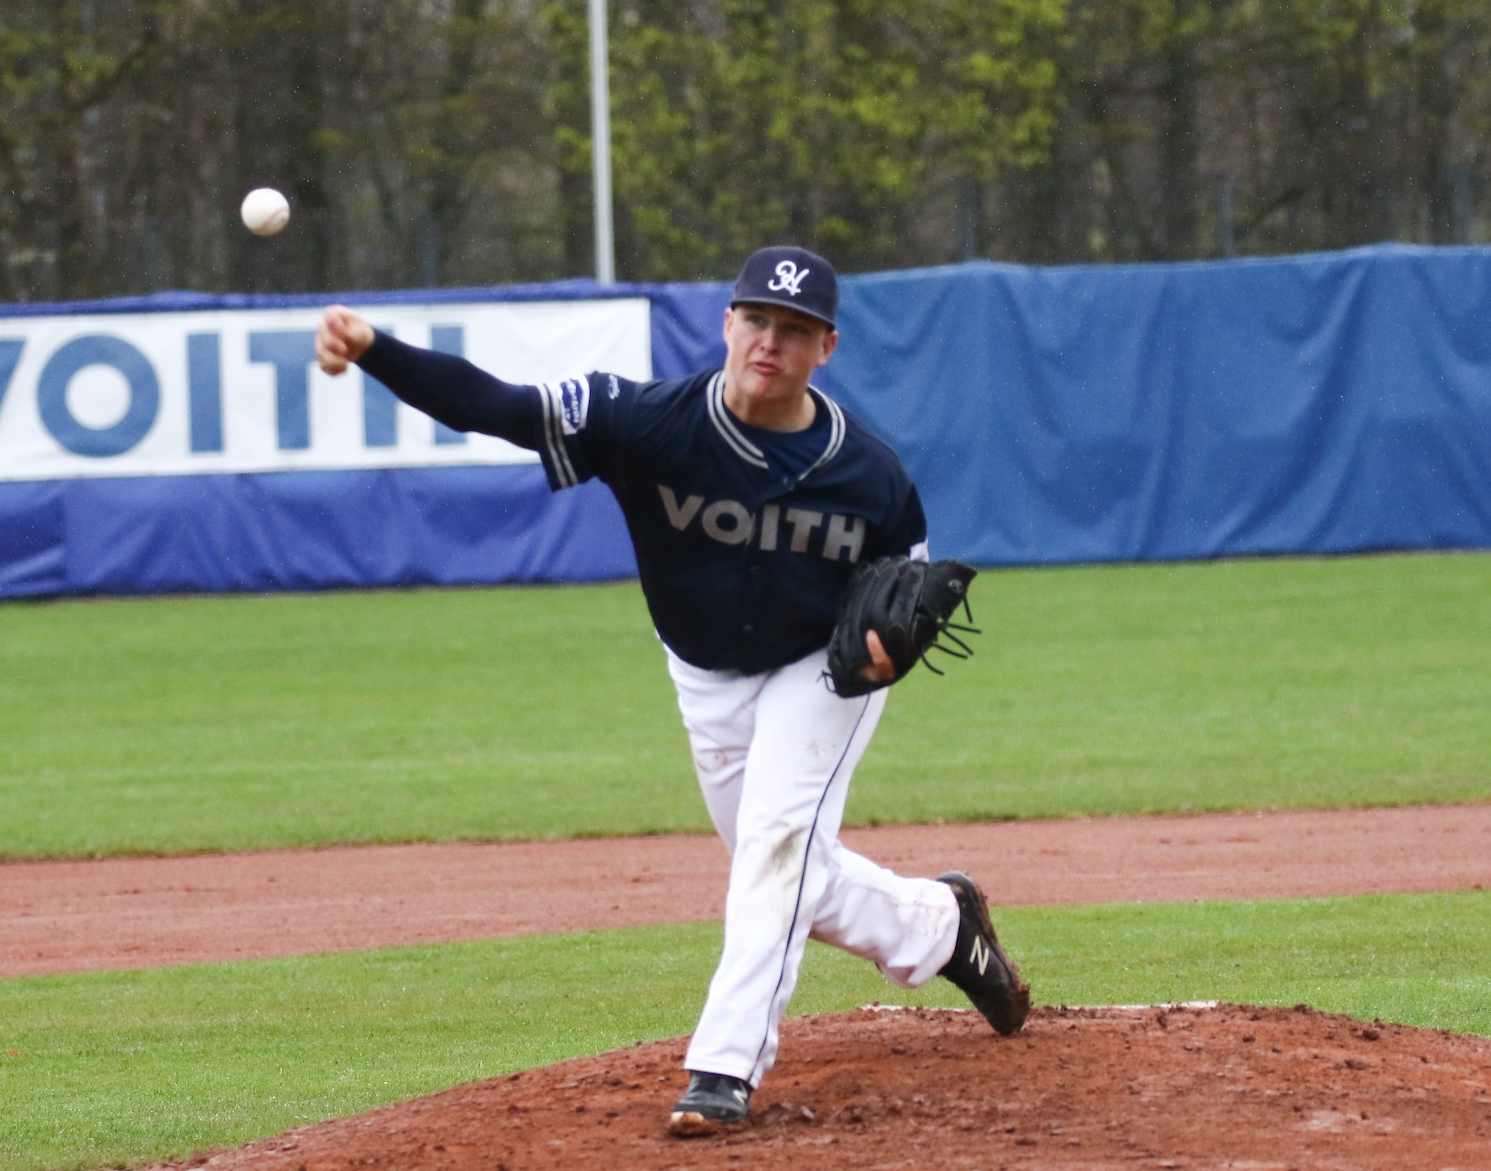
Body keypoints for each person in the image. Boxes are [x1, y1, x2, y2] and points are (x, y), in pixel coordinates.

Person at [314, 246, 1028, 1136]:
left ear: (826, 348)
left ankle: (724, 1068)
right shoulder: (644, 420)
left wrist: (887, 659)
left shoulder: (871, 476)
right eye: (757, 318)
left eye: (795, 329)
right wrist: (376, 349)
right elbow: (497, 406)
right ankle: (943, 927)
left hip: (818, 670)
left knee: (776, 848)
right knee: (786, 870)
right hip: (703, 670)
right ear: (727, 323)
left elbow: (902, 606)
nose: (770, 341)